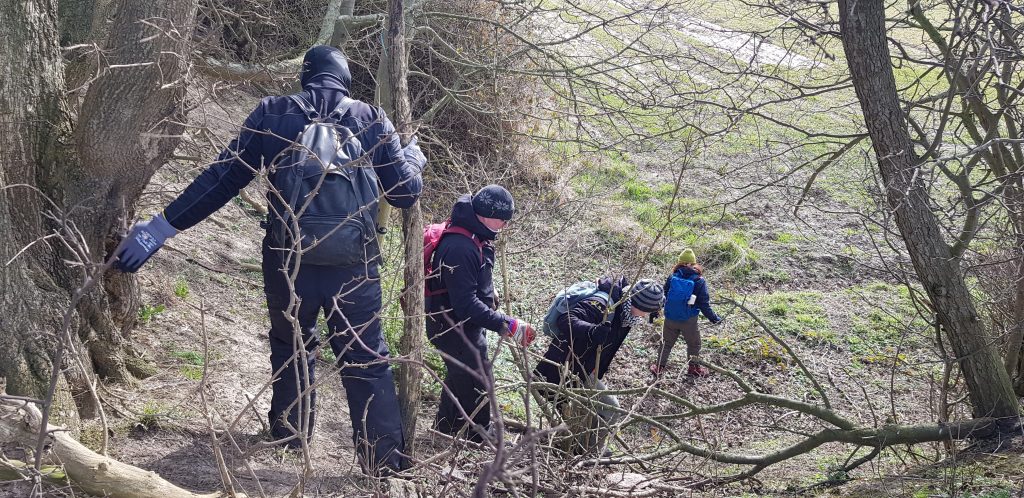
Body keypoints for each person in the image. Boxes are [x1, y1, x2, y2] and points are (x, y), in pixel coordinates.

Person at [113, 45, 425, 475]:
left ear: (306, 76)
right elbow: (405, 193)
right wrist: (412, 157)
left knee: (291, 342)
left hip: (287, 260)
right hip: (354, 268)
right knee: (365, 358)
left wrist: (160, 229)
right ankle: (386, 466)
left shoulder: (274, 113)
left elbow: (223, 178)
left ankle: (289, 430)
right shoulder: (371, 120)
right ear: (347, 80)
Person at [425, 185, 535, 443]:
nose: (505, 225)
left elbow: (472, 280)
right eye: (502, 219)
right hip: (454, 328)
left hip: (460, 325)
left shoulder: (476, 234)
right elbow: (465, 305)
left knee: (459, 377)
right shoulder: (460, 247)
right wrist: (508, 324)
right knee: (479, 385)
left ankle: (444, 429)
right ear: (486, 214)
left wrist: (489, 290)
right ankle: (480, 440)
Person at [534, 276, 664, 454]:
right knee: (611, 407)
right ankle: (589, 452)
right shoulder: (604, 305)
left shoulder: (626, 313)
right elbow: (566, 320)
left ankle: (578, 446)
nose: (645, 316)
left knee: (582, 409)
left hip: (584, 368)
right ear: (639, 305)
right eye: (646, 311)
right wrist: (592, 330)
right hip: (565, 365)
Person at [652, 248, 722, 378]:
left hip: (670, 317)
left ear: (680, 262)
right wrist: (714, 318)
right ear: (693, 263)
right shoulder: (699, 280)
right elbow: (704, 304)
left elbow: (663, 295)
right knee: (694, 344)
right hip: (689, 320)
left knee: (666, 343)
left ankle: (658, 368)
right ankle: (693, 369)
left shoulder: (672, 277)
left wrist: (656, 310)